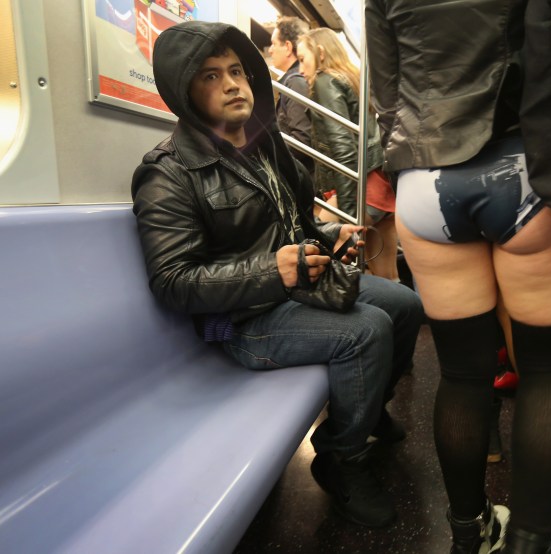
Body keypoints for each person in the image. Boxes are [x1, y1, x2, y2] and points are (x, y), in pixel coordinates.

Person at [130, 21, 423, 529]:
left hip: (294, 290)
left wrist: (328, 235)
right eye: (210, 76)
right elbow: (173, 281)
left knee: (405, 305)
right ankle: (341, 458)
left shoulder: (264, 144)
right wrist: (273, 271)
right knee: (366, 330)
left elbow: (292, 222)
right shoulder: (168, 172)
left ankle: (369, 405)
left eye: (236, 71)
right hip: (241, 319)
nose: (232, 84)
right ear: (183, 90)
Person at [367, 2, 551, 552]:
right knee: (547, 372)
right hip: (535, 162)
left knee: (461, 374)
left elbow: (386, 91)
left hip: (428, 173)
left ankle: (468, 536)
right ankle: (528, 542)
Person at [296, 28, 400, 281]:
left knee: (309, 247)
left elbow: (342, 146)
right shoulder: (353, 78)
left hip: (358, 189)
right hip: (381, 185)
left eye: (302, 59)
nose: (300, 69)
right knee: (388, 278)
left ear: (320, 53)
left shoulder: (325, 80)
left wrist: (349, 214)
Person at [268, 16, 314, 175]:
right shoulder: (293, 80)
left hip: (303, 175)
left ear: (287, 47)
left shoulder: (295, 82)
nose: (270, 50)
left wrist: (270, 154)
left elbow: (302, 139)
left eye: (273, 43)